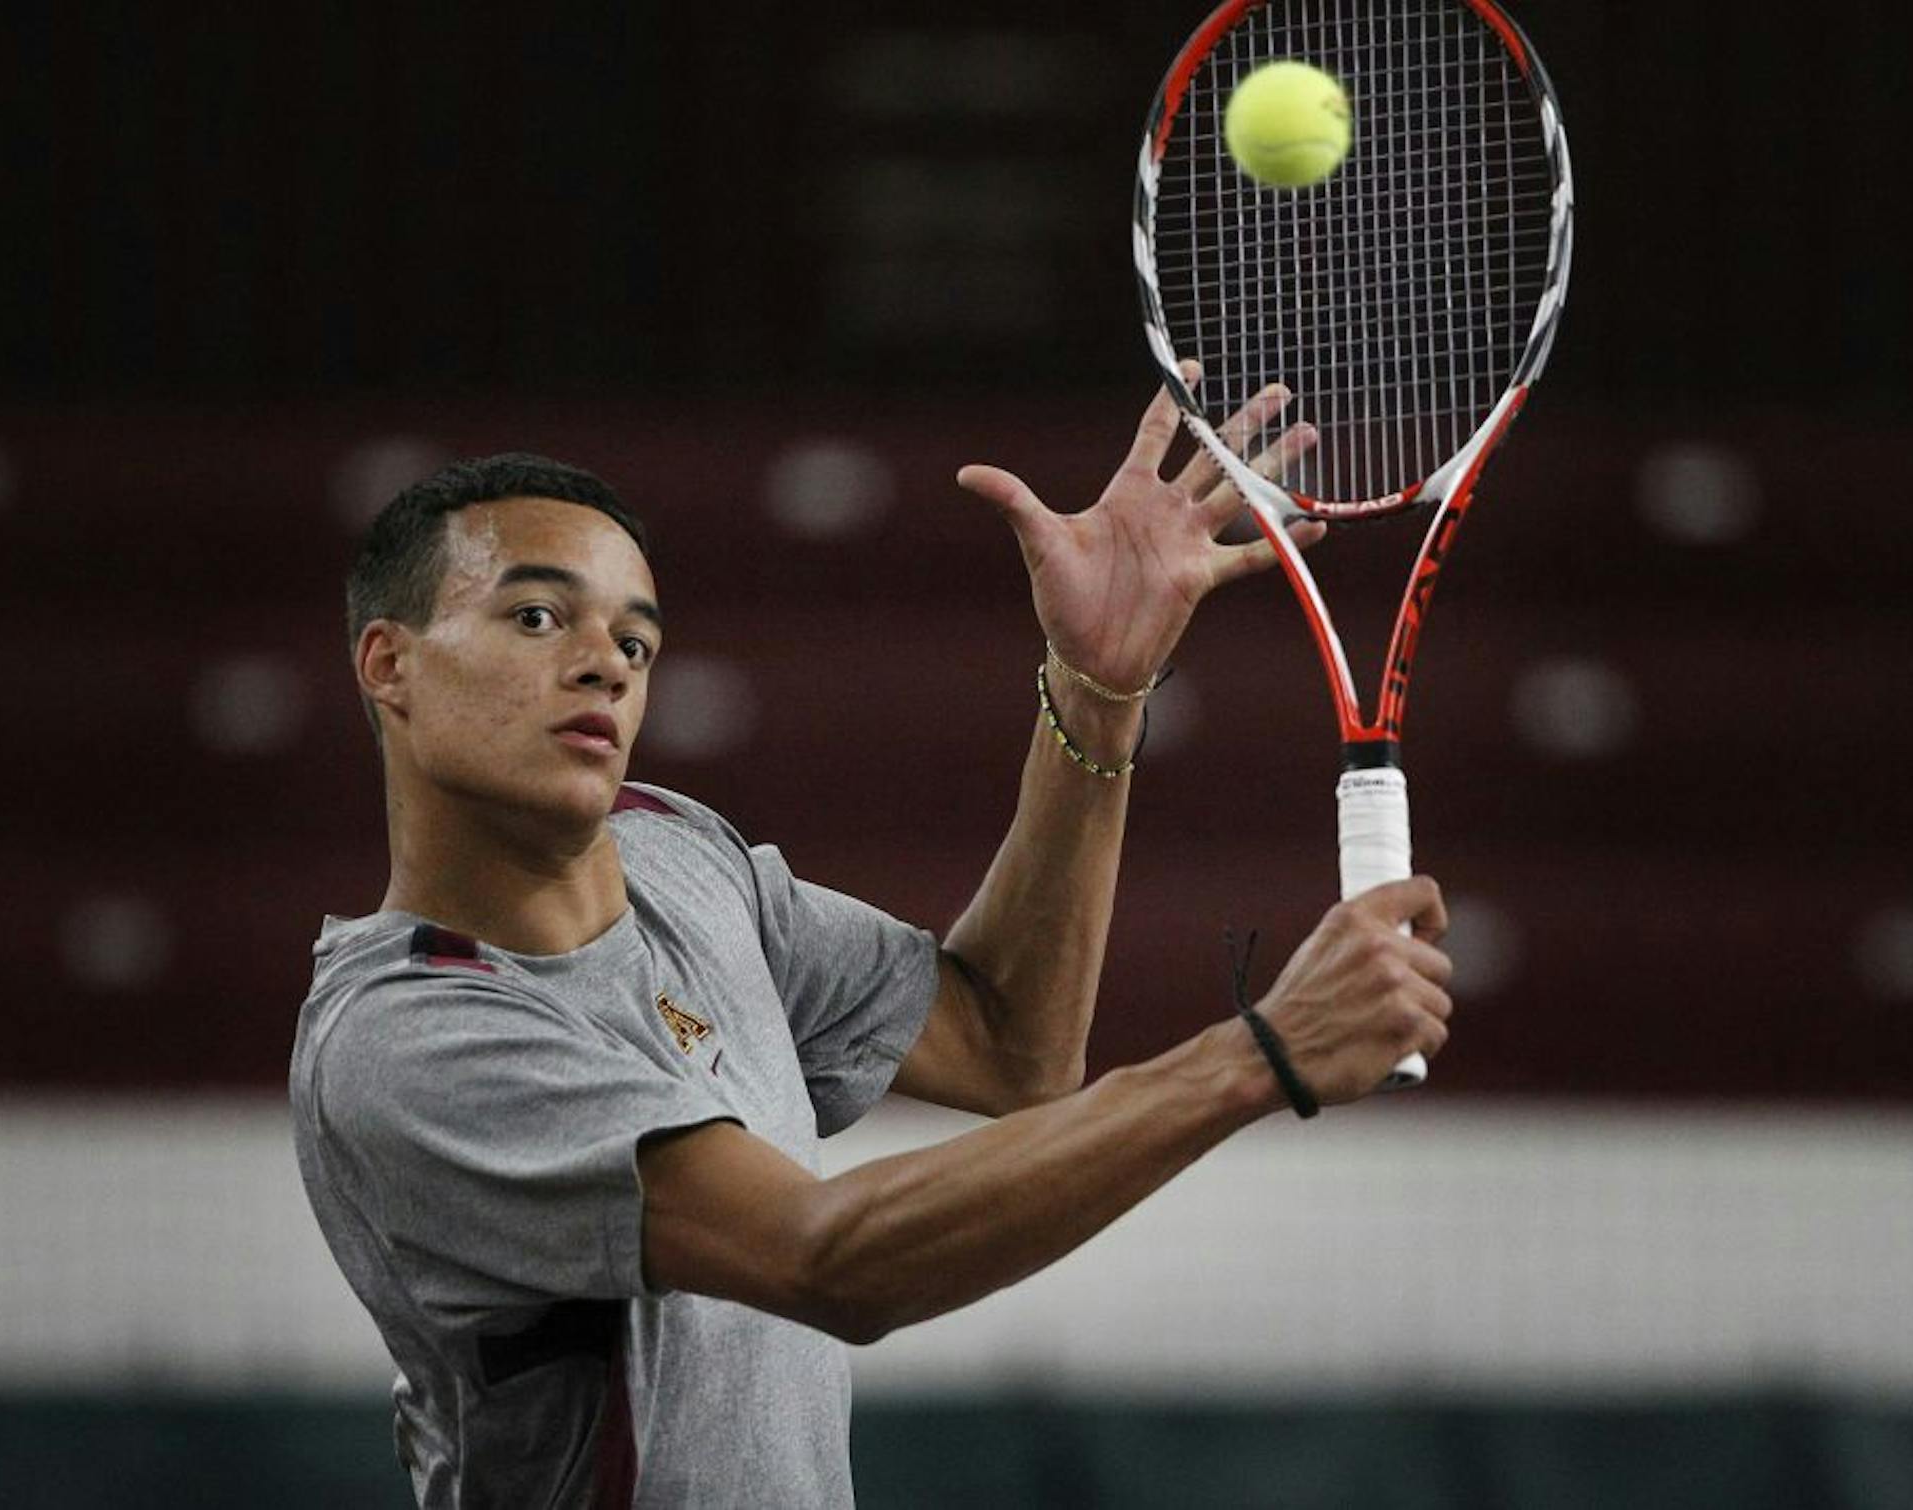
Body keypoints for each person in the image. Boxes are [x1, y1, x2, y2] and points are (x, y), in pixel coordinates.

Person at [290, 372, 1454, 1509]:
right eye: (537, 615)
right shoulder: (407, 1039)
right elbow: (826, 1257)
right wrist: (1260, 1055)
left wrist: (1097, 691)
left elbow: (1012, 1050)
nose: (603, 662)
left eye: (636, 642)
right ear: (388, 663)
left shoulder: (676, 854)